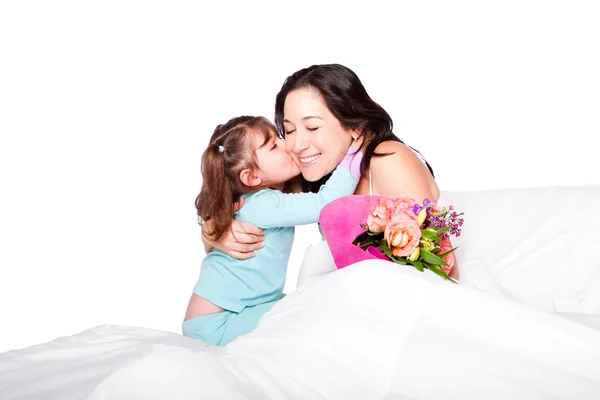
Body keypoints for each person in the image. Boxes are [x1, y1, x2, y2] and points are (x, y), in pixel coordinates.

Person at [203, 64, 459, 282]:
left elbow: (444, 272)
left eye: (312, 127)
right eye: (289, 131)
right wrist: (216, 233)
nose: (296, 145)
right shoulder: (317, 173)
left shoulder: (389, 159)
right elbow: (233, 198)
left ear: (354, 127)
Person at [183, 115, 362, 346]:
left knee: (310, 305)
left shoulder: (259, 201)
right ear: (252, 176)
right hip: (219, 322)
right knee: (310, 309)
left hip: (230, 314)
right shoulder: (263, 204)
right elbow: (325, 203)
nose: (287, 145)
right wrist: (357, 150)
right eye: (274, 145)